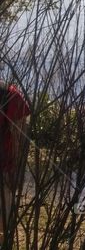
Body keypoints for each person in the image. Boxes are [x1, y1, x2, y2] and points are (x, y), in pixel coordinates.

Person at [0, 81, 30, 241]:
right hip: (6, 171)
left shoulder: (9, 95)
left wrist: (16, 172)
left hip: (4, 172)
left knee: (3, 226)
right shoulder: (11, 94)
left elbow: (21, 137)